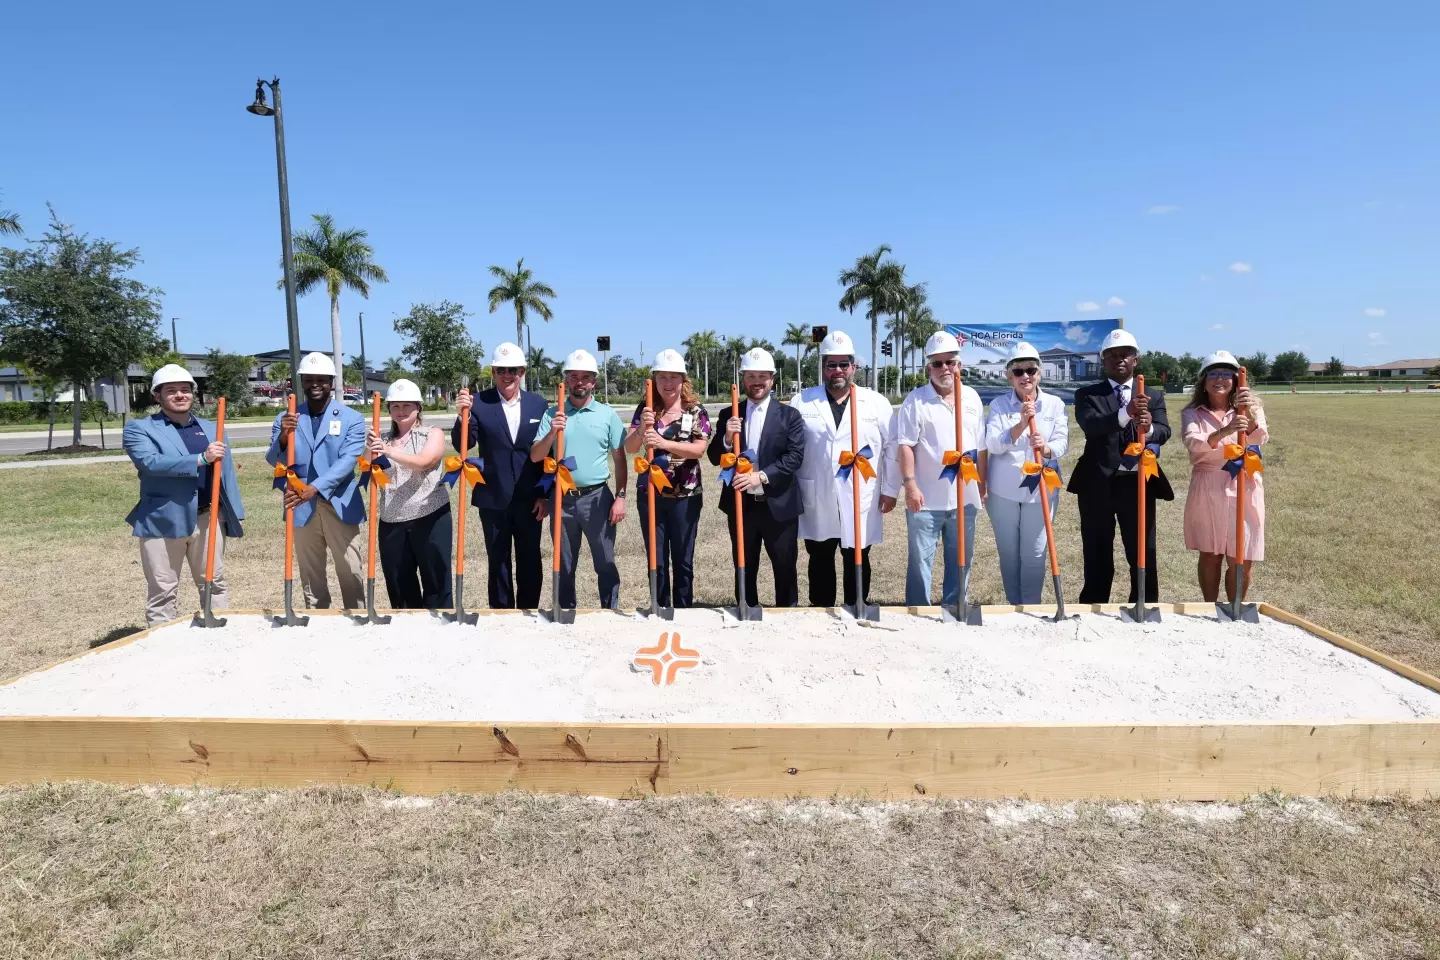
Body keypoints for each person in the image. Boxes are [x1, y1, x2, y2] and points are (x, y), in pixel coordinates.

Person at [123, 364, 245, 625]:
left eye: (185, 390)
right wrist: (201, 458)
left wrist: (233, 510)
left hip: (208, 516)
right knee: (163, 590)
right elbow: (150, 463)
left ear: (193, 393)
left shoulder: (213, 428)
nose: (180, 395)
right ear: (158, 396)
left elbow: (226, 473)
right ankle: (164, 646)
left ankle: (218, 634)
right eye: (171, 390)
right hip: (163, 519)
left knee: (215, 582)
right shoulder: (140, 429)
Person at [789, 330, 898, 607]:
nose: (838, 370)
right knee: (820, 555)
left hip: (861, 492)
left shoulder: (876, 403)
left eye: (843, 364)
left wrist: (890, 489)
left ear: (854, 367)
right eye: (831, 364)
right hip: (819, 493)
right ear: (823, 367)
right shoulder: (802, 401)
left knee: (858, 554)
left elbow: (892, 448)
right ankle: (822, 609)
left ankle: (857, 605)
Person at [1068, 328, 1174, 603]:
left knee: (1142, 551)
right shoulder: (1088, 395)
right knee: (1097, 551)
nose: (1119, 359)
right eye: (1112, 355)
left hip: (1137, 483)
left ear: (1135, 359)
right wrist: (1126, 413)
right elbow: (1091, 426)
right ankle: (1093, 608)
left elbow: (1164, 430)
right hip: (1097, 485)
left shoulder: (1153, 395)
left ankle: (1144, 605)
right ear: (1103, 361)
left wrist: (1149, 429)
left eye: (1125, 354)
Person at [264, 351, 367, 609]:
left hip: (339, 504)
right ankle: (318, 619)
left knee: (350, 568)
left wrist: (314, 488)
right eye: (309, 380)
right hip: (300, 505)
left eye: (321, 379)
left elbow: (347, 461)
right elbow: (273, 459)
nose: (315, 385)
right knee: (311, 574)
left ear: (331, 382)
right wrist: (285, 437)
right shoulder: (286, 417)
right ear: (302, 383)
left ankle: (356, 617)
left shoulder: (351, 418)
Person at [706, 347, 807, 607]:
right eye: (751, 376)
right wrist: (727, 438)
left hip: (779, 505)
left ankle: (786, 615)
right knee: (744, 565)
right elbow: (714, 455)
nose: (757, 382)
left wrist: (760, 477)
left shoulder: (789, 416)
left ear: (772, 379)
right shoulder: (731, 413)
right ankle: (746, 611)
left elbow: (794, 457)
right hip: (742, 506)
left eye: (763, 376)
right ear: (743, 379)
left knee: (784, 568)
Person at [529, 349, 628, 609]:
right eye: (574, 376)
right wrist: (552, 433)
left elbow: (620, 459)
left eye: (585, 377)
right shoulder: (553, 415)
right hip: (561, 499)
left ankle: (610, 609)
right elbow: (536, 456)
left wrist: (620, 497)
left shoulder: (607, 415)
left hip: (597, 498)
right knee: (563, 563)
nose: (579, 382)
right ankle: (565, 611)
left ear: (593, 382)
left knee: (605, 560)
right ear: (566, 380)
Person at [895, 331, 987, 607]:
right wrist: (910, 486)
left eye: (950, 362)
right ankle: (919, 611)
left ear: (959, 365)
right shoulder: (915, 400)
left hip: (966, 496)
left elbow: (981, 447)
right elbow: (905, 446)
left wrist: (982, 484)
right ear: (928, 368)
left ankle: (955, 607)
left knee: (961, 557)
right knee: (921, 560)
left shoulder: (972, 398)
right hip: (927, 498)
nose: (945, 368)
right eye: (937, 363)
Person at [454, 343, 548, 609]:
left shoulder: (538, 404)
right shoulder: (479, 403)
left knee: (530, 559)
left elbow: (547, 454)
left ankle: (529, 611)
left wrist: (545, 494)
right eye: (502, 370)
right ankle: (502, 614)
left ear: (522, 372)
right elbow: (466, 443)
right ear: (493, 372)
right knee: (498, 561)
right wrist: (462, 417)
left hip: (530, 498)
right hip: (492, 497)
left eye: (514, 370)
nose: (508, 375)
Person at [622, 348, 712, 608]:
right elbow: (630, 447)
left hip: (685, 496)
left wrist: (663, 442)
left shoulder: (695, 411)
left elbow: (699, 449)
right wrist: (641, 428)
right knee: (657, 557)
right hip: (651, 495)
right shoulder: (647, 409)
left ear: (683, 380)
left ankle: (683, 608)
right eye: (663, 377)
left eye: (674, 377)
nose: (668, 383)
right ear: (654, 380)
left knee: (683, 558)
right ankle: (659, 606)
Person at [984, 341, 1069, 604]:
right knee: (1009, 553)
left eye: (1031, 370)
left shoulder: (1055, 405)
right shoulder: (999, 405)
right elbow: (993, 444)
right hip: (1004, 492)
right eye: (1018, 372)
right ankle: (1013, 605)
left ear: (1040, 373)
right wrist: (1020, 425)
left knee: (1034, 553)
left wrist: (1045, 449)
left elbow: (1062, 443)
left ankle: (1031, 605)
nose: (1025, 377)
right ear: (1009, 376)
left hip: (1041, 489)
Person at [1181, 350, 1269, 602]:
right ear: (1203, 381)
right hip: (1208, 484)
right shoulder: (1193, 413)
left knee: (1242, 554)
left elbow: (1260, 437)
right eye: (1213, 374)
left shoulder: (1251, 408)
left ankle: (1235, 609)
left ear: (1236, 380)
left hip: (1245, 484)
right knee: (1210, 553)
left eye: (1226, 374)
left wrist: (1247, 411)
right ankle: (1210, 607)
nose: (1219, 379)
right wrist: (1226, 431)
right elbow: (1194, 443)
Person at [365, 378, 453, 609]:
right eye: (395, 406)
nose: (401, 411)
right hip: (391, 519)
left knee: (436, 581)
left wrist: (389, 451)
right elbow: (368, 467)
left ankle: (440, 628)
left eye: (407, 405)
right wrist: (369, 448)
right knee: (399, 583)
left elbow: (425, 461)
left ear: (418, 407)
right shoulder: (382, 439)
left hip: (430, 515)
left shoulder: (432, 434)